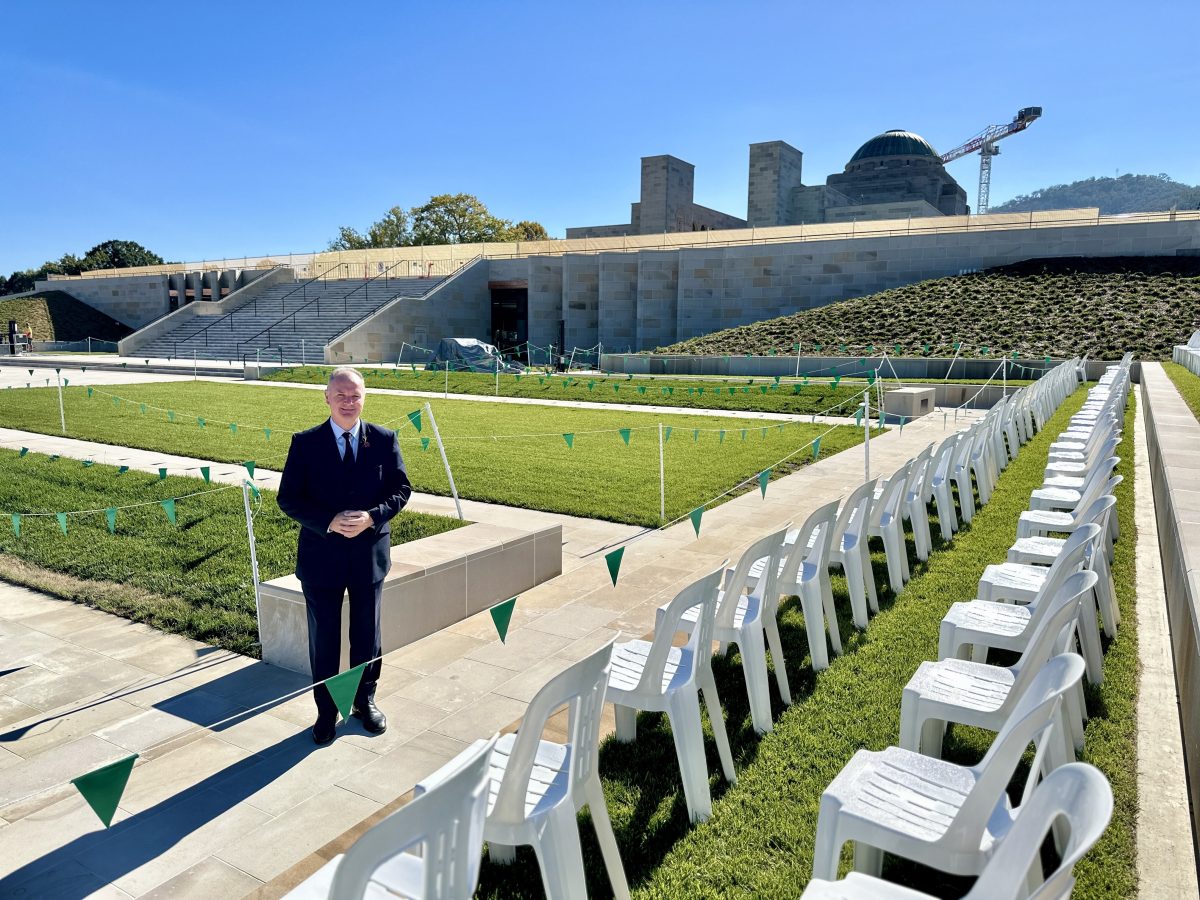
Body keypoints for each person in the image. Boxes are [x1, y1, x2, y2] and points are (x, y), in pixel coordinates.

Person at [277, 366, 412, 745]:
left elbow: (401, 490)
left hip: (369, 555)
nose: (349, 403)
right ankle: (326, 710)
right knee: (325, 639)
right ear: (327, 398)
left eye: (355, 396)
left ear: (363, 398)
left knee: (367, 635)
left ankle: (363, 700)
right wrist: (328, 521)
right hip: (322, 558)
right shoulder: (305, 443)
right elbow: (288, 498)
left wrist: (373, 516)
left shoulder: (384, 440)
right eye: (341, 396)